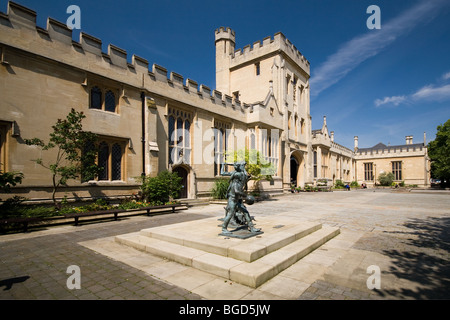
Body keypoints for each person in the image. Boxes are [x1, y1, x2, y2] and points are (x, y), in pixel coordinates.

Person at [220, 161, 260, 234]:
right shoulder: (235, 183)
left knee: (245, 212)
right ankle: (224, 228)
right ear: (237, 177)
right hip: (232, 200)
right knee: (230, 214)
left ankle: (252, 228)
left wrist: (243, 165)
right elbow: (237, 191)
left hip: (237, 200)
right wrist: (245, 196)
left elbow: (244, 174)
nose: (242, 178)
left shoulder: (239, 177)